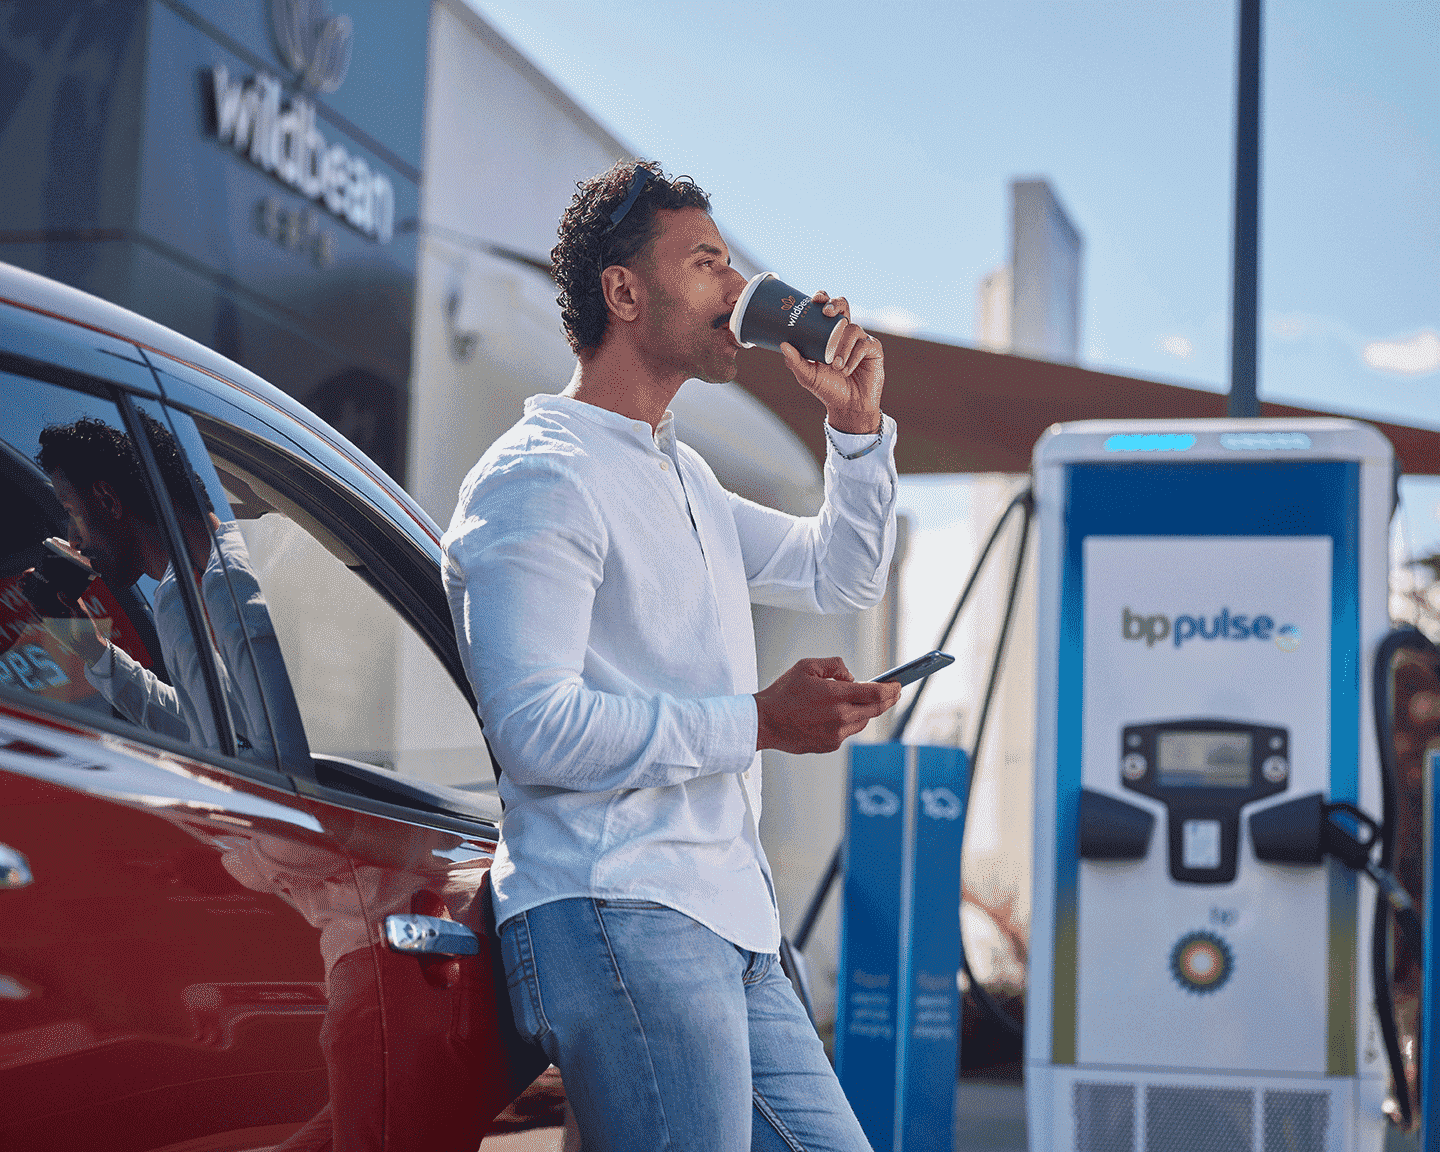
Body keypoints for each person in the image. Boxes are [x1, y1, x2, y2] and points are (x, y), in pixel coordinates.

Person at [443, 160, 901, 1151]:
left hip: (729, 923)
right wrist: (758, 722)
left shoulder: (680, 472)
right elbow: (535, 730)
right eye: (706, 264)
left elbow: (840, 575)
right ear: (624, 291)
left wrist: (855, 433)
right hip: (621, 910)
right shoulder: (540, 480)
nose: (737, 292)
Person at [34, 413, 302, 763]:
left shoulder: (210, 589)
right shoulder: (194, 582)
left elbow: (282, 769)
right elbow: (207, 731)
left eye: (72, 512)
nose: (73, 538)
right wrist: (96, 651)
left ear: (108, 500)